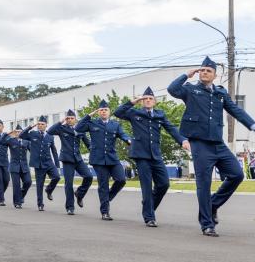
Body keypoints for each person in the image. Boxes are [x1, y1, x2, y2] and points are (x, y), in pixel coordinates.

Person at [168, 56, 255, 237]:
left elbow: (235, 110)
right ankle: (207, 224)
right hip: (199, 144)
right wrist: (186, 74)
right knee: (204, 184)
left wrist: (252, 125)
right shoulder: (190, 90)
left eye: (209, 71)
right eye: (203, 70)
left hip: (218, 144)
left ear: (215, 75)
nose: (205, 73)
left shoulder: (220, 93)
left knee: (236, 174)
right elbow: (172, 89)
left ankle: (213, 204)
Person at [114, 87, 189, 227]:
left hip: (155, 154)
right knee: (147, 187)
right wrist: (132, 101)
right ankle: (149, 217)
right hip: (141, 155)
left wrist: (182, 140)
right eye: (145, 99)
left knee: (164, 184)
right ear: (142, 102)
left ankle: (148, 206)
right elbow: (118, 112)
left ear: (154, 101)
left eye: (150, 99)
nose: (148, 101)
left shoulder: (160, 115)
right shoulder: (134, 113)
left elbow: (171, 128)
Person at [76, 100, 132, 221]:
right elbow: (78, 127)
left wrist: (128, 140)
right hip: (98, 159)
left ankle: (108, 197)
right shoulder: (92, 123)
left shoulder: (115, 124)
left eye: (105, 110)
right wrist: (89, 115)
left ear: (109, 112)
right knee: (103, 186)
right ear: (98, 112)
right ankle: (105, 212)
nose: (103, 112)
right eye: (101, 110)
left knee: (121, 180)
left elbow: (123, 134)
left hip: (112, 158)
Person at [47, 110, 92, 215]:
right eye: (68, 118)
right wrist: (60, 122)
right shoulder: (62, 129)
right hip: (67, 160)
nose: (70, 120)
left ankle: (79, 194)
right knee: (69, 184)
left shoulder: (80, 129)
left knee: (89, 176)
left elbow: (88, 143)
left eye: (72, 118)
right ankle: (70, 207)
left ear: (75, 119)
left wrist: (94, 152)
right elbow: (50, 131)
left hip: (78, 159)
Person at [19, 116, 60, 211]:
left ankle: (49, 190)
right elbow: (21, 135)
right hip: (38, 164)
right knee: (39, 185)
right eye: (39, 124)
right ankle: (40, 204)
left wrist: (57, 165)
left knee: (57, 177)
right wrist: (30, 126)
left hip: (49, 162)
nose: (40, 126)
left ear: (46, 125)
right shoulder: (32, 134)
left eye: (42, 124)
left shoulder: (50, 136)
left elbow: (54, 151)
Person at [0, 125, 31, 209]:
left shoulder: (26, 141)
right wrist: (8, 133)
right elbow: (1, 141)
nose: (18, 133)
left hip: (24, 166)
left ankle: (21, 196)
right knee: (16, 185)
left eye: (19, 132)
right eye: (16, 132)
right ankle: (17, 202)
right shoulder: (11, 140)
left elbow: (32, 150)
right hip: (14, 167)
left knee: (28, 182)